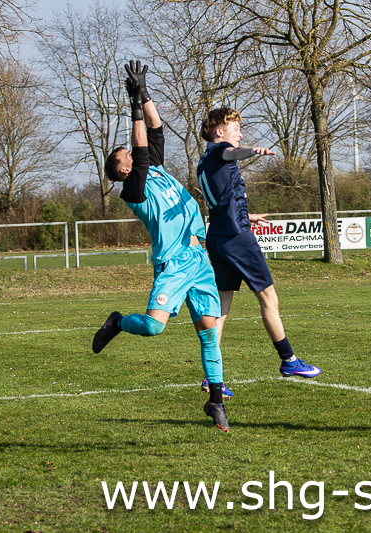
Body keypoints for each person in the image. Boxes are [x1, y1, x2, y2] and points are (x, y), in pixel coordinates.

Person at [94, 61, 230, 432]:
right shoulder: (133, 188)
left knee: (209, 332)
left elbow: (155, 130)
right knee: (154, 327)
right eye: (124, 154)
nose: (129, 151)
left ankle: (216, 401)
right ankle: (118, 322)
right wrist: (132, 105)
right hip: (173, 262)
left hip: (199, 258)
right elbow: (140, 146)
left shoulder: (152, 167)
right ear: (123, 169)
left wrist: (145, 93)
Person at [197, 107, 321, 387]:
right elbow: (232, 152)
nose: (240, 134)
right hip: (237, 237)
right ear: (220, 132)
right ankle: (289, 361)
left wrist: (247, 214)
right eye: (236, 128)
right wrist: (252, 151)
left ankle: (211, 377)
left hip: (218, 236)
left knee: (222, 307)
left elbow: (221, 200)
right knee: (268, 298)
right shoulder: (221, 151)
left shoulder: (204, 160)